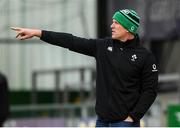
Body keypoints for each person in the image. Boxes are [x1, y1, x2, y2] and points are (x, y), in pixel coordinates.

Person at [11, 9, 158, 127]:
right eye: (112, 22)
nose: (112, 26)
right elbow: (71, 41)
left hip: (125, 123)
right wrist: (39, 33)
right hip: (102, 122)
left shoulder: (145, 57)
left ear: (129, 28)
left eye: (117, 23)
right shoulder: (102, 46)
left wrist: (132, 117)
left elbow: (150, 91)